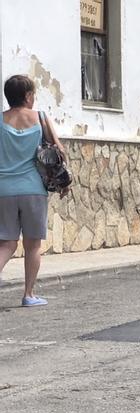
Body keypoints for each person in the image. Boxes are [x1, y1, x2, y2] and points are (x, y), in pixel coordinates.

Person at [0, 74, 61, 307]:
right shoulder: (40, 118)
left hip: (3, 189)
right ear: (27, 96)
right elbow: (59, 151)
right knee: (33, 245)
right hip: (33, 189)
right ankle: (29, 294)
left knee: (6, 243)